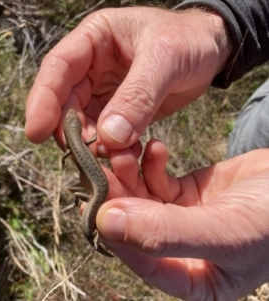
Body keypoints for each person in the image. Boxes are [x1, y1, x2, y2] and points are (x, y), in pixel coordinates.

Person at [24, 1, 269, 300]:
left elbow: (71, 154)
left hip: (96, 184)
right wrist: (225, 25)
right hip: (97, 184)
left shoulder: (75, 146)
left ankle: (94, 234)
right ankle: (94, 235)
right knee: (246, 141)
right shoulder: (81, 141)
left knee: (96, 200)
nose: (73, 120)